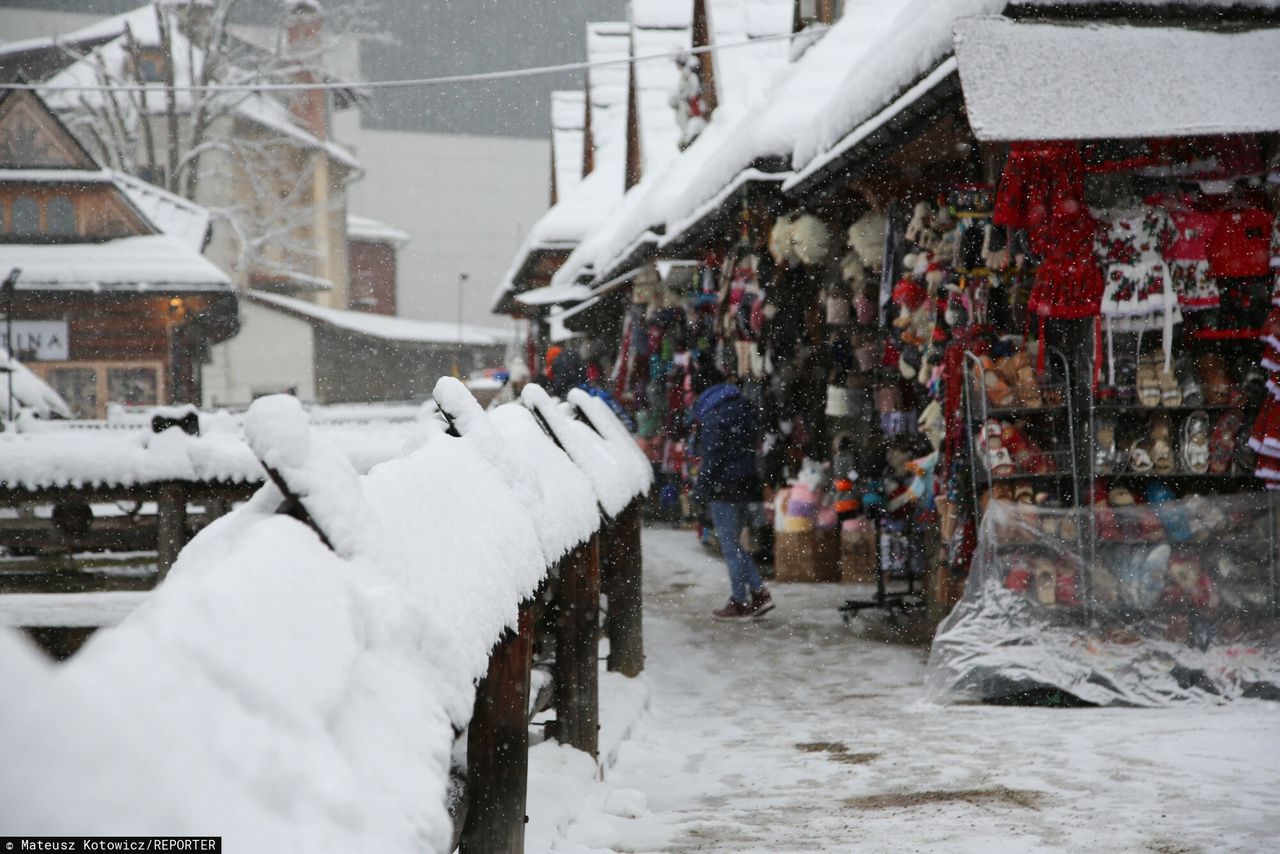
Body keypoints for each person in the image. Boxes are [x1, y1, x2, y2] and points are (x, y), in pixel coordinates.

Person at [691, 363, 774, 621]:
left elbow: (713, 457)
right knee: (734, 544)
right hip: (749, 480)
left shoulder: (713, 414)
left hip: (725, 487)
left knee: (730, 545)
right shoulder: (743, 405)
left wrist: (700, 489)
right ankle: (751, 595)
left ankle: (745, 599)